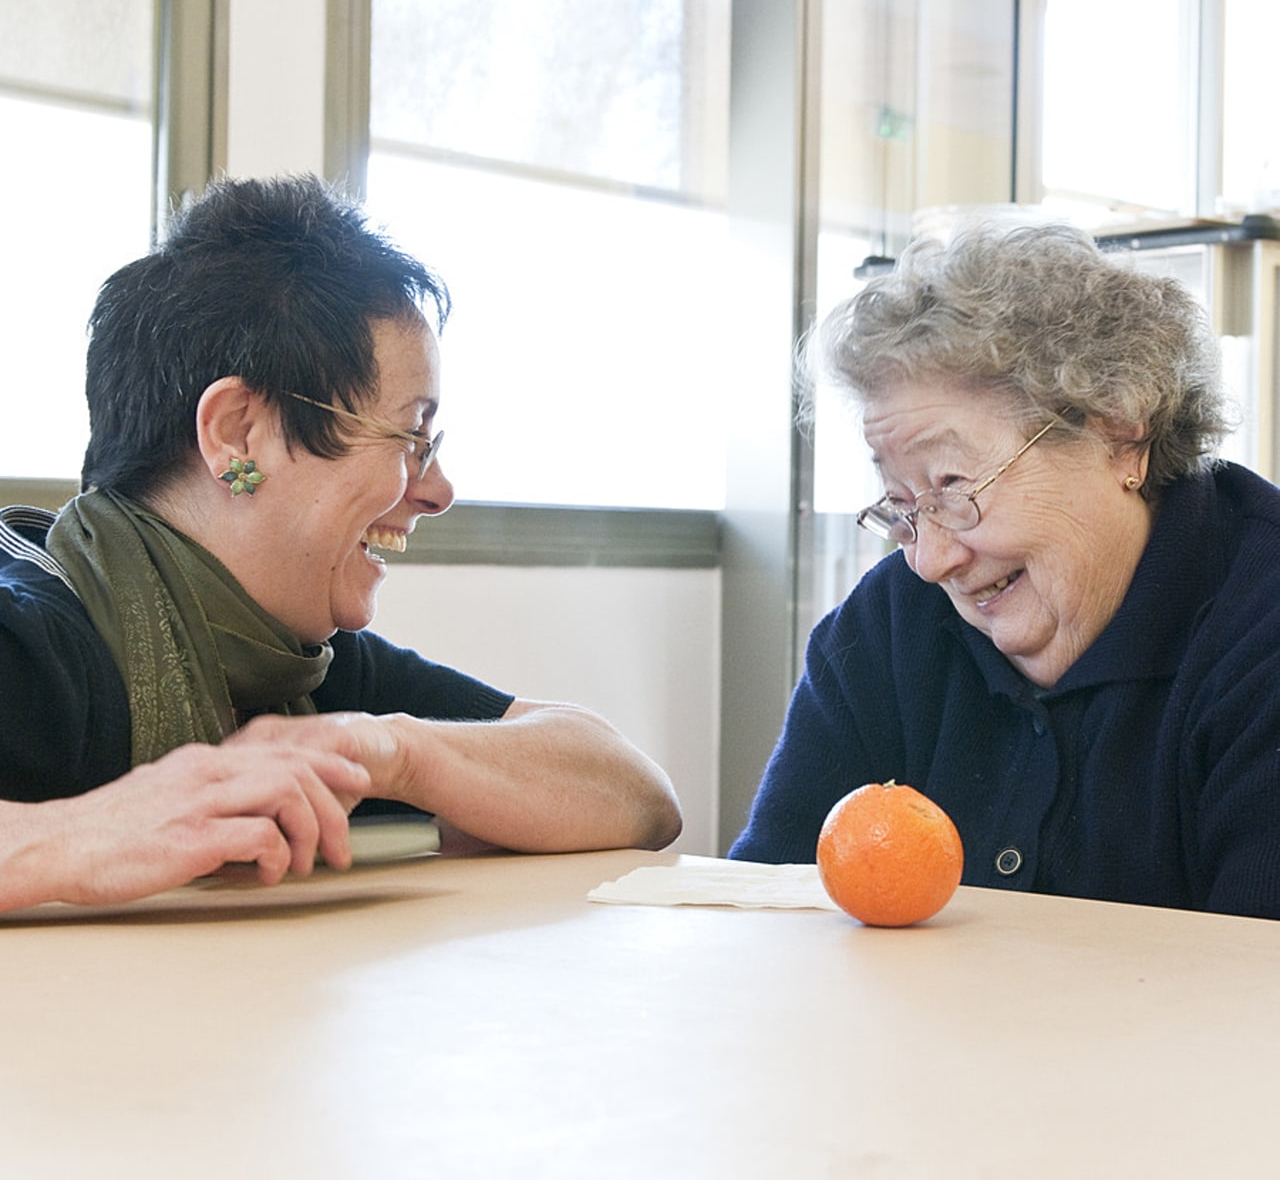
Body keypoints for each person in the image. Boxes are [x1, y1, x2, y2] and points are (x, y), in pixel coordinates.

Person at [0, 174, 681, 910]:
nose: (438, 490)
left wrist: (393, 753)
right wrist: (81, 834)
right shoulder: (28, 640)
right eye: (411, 437)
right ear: (237, 434)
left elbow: (637, 795)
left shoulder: (300, 665)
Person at [730, 221, 1280, 919]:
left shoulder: (1259, 626)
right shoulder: (888, 627)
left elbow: (1256, 972)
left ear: (1119, 434)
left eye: (954, 485)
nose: (930, 561)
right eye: (901, 503)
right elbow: (768, 910)